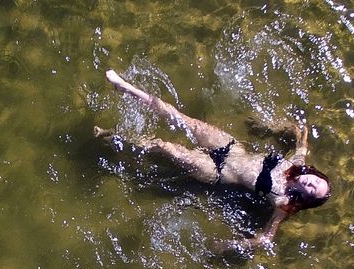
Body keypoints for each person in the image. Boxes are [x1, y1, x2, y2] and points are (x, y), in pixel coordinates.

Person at [98, 69, 330, 251]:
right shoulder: (297, 163)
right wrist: (268, 128)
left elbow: (266, 239)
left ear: (306, 199)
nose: (311, 184)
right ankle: (126, 88)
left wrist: (230, 246)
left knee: (163, 146)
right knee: (178, 116)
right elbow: (301, 133)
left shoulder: (284, 205)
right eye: (316, 181)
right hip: (230, 146)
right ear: (314, 173)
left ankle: (112, 136)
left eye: (313, 191)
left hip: (216, 171)